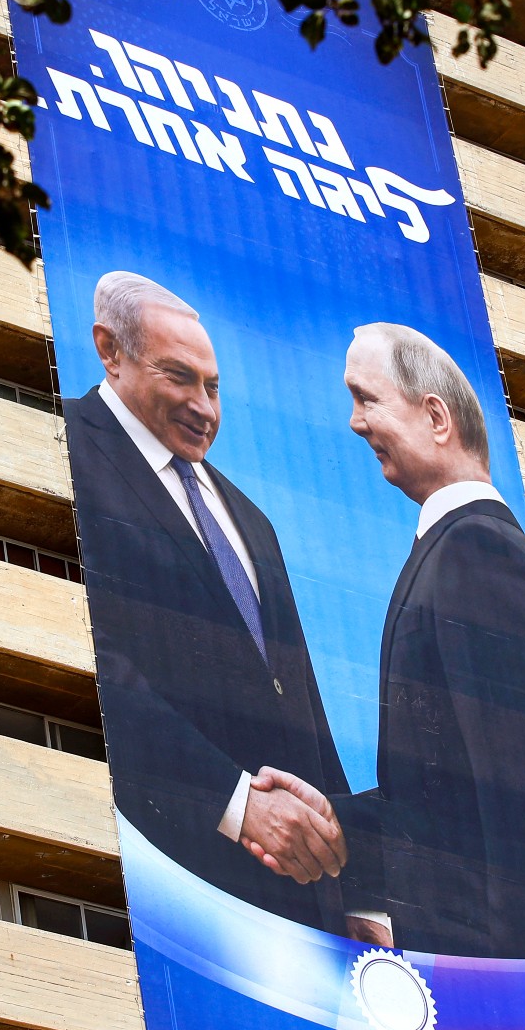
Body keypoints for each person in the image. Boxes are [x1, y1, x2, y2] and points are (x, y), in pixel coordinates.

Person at [63, 271, 349, 932]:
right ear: (110, 350)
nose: (205, 407)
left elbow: (300, 700)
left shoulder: (250, 518)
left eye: (213, 386)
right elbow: (92, 655)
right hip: (171, 885)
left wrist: (356, 884)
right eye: (179, 378)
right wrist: (235, 802)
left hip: (302, 904)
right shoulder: (63, 447)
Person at [331, 322, 525, 959]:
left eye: (366, 398)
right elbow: (440, 799)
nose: (355, 423)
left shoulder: (474, 548)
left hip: (503, 980)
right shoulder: (451, 549)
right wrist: (330, 823)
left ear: (436, 417)